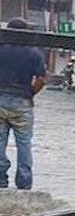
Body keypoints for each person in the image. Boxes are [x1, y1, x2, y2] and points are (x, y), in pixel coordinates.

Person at [0, 18, 46, 190]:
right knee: (24, 144)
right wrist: (30, 93)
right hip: (23, 102)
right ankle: (24, 184)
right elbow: (41, 79)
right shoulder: (33, 53)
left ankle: (1, 181)